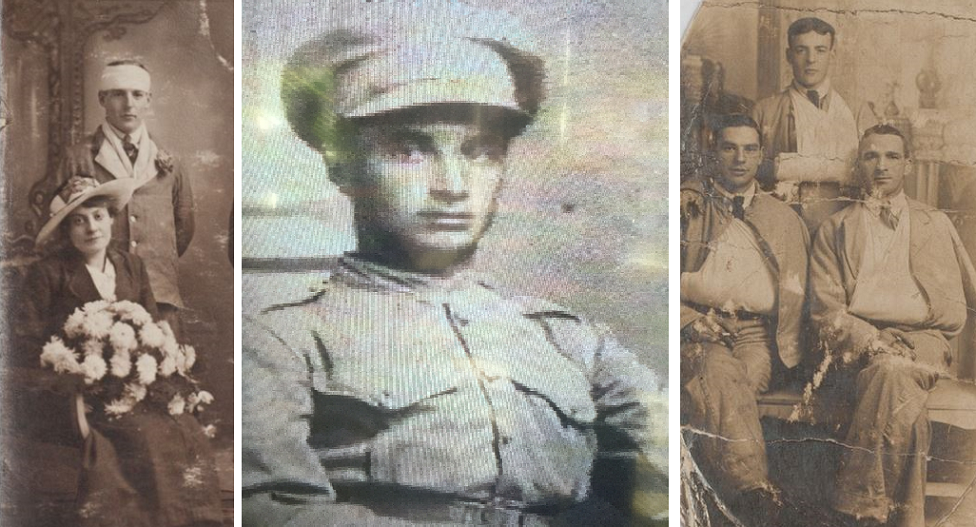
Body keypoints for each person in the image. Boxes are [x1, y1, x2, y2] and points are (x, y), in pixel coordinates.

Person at [242, 4, 666, 525]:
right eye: (410, 151)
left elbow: (683, 468)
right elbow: (269, 511)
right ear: (342, 163)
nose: (452, 186)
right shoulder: (283, 339)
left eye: (479, 151)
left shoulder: (571, 340)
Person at [16, 176, 222, 527]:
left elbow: (154, 330)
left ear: (112, 218)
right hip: (79, 390)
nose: (91, 228)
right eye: (78, 220)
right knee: (143, 435)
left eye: (97, 216)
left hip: (135, 383)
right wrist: (79, 360)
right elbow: (24, 342)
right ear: (67, 230)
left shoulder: (130, 265)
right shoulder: (47, 273)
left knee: (183, 427)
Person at [809, 125, 976, 527]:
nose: (881, 166)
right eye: (871, 156)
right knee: (899, 394)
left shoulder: (935, 223)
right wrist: (873, 337)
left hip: (925, 342)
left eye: (892, 157)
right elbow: (826, 312)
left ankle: (853, 509)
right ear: (859, 164)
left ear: (908, 165)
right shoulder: (836, 229)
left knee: (894, 372)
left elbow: (955, 309)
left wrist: (907, 336)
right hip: (860, 347)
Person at [680, 114, 810, 524]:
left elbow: (800, 295)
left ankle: (716, 509)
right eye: (729, 147)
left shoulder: (782, 217)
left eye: (750, 149)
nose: (739, 158)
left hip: (755, 335)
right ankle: (754, 498)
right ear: (714, 152)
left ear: (761, 156)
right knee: (720, 375)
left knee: (734, 387)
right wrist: (687, 320)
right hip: (696, 332)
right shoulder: (687, 206)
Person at [61, 60, 194, 339]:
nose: (128, 104)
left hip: (160, 296)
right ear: (102, 99)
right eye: (118, 94)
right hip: (98, 297)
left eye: (137, 94)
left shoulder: (169, 159)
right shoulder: (78, 157)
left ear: (148, 100)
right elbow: (60, 228)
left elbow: (183, 227)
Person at [752, 17, 875, 188]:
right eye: (801, 50)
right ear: (789, 56)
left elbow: (875, 169)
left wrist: (781, 168)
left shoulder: (857, 111)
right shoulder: (765, 111)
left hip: (847, 210)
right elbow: (748, 167)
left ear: (832, 55)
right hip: (784, 211)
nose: (811, 59)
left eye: (820, 50)